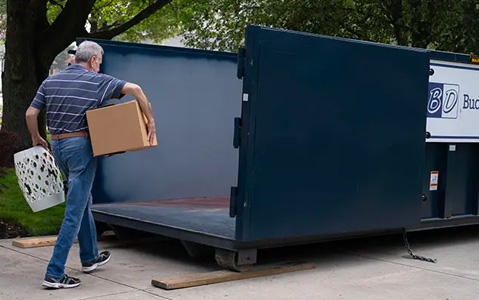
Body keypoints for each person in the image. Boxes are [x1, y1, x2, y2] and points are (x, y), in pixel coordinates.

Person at [25, 40, 156, 289]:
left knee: (84, 200)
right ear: (94, 60)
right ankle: (54, 273)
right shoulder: (97, 80)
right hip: (80, 148)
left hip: (58, 147)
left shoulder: (50, 81)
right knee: (74, 210)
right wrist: (150, 120)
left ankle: (89, 258)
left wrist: (36, 137)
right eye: (99, 63)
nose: (99, 68)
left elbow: (31, 114)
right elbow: (136, 89)